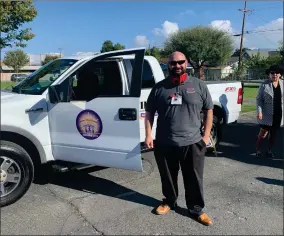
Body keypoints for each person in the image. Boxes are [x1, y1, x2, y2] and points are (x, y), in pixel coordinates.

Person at [144, 51, 214, 226]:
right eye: (173, 63)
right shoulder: (159, 88)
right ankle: (169, 202)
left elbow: (209, 111)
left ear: (186, 63)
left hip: (193, 142)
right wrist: (148, 134)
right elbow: (149, 113)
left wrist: (205, 137)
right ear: (168, 65)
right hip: (164, 142)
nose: (177, 66)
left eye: (180, 62)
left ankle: (196, 209)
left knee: (194, 178)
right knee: (167, 176)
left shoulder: (198, 85)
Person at [255, 64, 284, 158]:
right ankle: (258, 150)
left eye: (277, 73)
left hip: (278, 113)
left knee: (273, 134)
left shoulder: (283, 84)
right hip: (266, 113)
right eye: (272, 73)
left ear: (280, 74)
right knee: (263, 133)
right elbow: (259, 99)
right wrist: (259, 112)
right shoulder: (264, 85)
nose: (275, 74)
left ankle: (269, 150)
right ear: (269, 74)